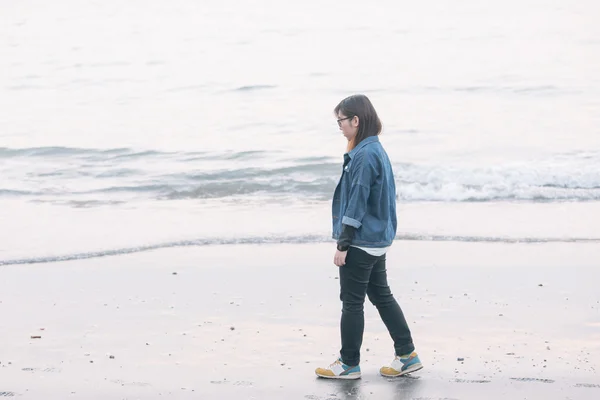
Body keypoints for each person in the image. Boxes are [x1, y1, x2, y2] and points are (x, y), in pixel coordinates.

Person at [315, 94, 423, 380]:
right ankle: (407, 355)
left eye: (341, 121)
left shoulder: (364, 155)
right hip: (378, 238)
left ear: (355, 120)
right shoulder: (374, 149)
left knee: (352, 302)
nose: (339, 126)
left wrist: (343, 243)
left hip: (362, 241)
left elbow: (357, 201)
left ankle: (349, 363)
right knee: (381, 296)